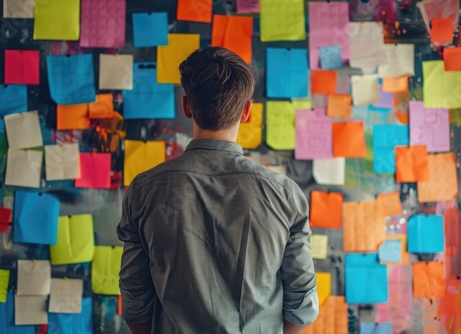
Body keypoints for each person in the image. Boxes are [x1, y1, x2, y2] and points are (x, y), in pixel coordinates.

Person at [117, 46, 319, 334]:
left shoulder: (144, 190)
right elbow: (301, 304)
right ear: (247, 111)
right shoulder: (285, 194)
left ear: (187, 106)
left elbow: (135, 297)